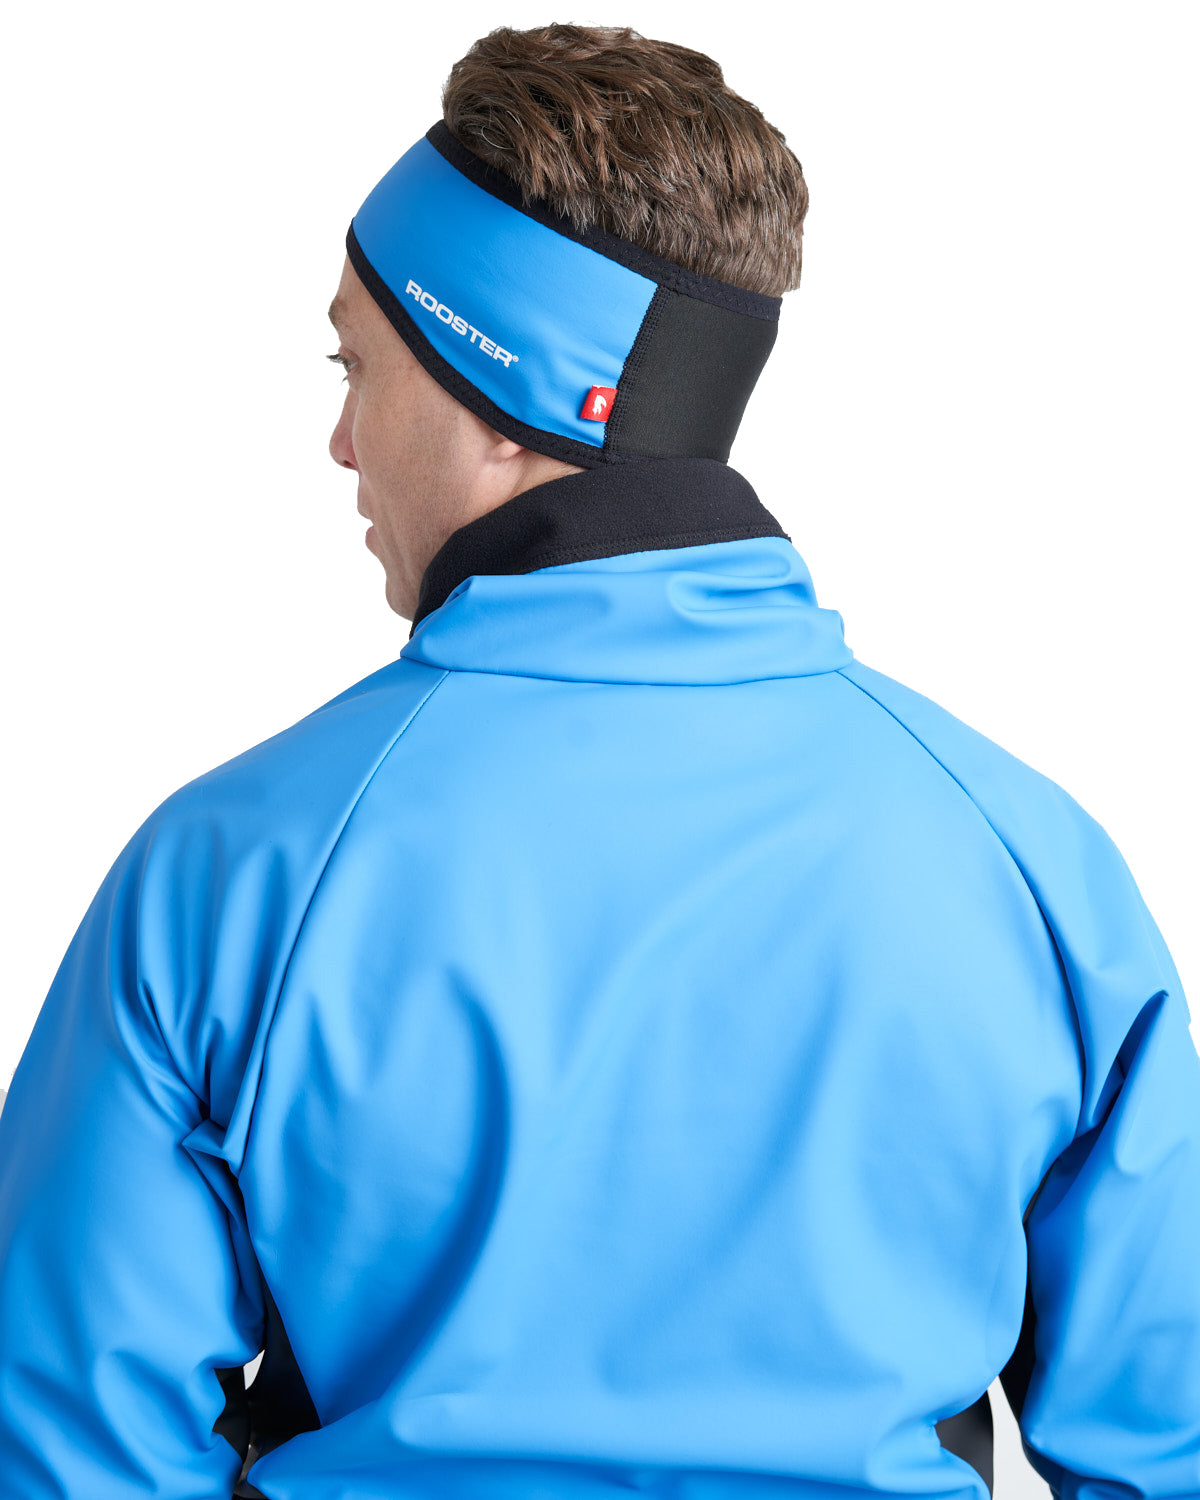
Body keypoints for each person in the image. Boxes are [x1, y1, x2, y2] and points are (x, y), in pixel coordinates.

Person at [0, 21, 1196, 1499]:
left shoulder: (238, 866)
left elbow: (71, 1449)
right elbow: (1169, 1449)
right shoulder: (1031, 864)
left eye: (356, 362)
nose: (341, 442)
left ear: (498, 388)